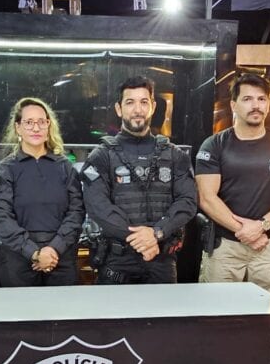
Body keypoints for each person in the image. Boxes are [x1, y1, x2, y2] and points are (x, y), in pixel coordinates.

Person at [195, 73, 270, 297]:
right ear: (233, 105)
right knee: (218, 311)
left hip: (268, 245)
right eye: (247, 99)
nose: (256, 105)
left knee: (269, 312)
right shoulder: (214, 145)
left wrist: (262, 226)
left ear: (268, 105)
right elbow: (206, 198)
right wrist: (245, 231)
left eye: (261, 99)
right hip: (225, 247)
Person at [81, 76, 197, 284]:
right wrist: (142, 240)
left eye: (144, 102)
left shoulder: (174, 155)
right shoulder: (101, 156)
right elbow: (98, 206)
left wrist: (156, 233)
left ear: (153, 107)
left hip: (161, 261)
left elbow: (187, 201)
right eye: (130, 102)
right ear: (119, 109)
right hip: (117, 262)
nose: (137, 109)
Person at [0, 97, 84, 286]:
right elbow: (0, 217)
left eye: (41, 122)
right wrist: (33, 252)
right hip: (18, 260)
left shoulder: (65, 167)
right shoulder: (5, 170)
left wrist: (54, 249)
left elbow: (77, 211)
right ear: (18, 127)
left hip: (61, 257)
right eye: (29, 122)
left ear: (48, 125)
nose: (36, 128)